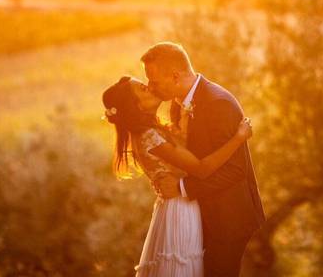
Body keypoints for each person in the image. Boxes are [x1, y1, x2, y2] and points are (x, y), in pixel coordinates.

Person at [102, 75, 253, 277]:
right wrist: (238, 138)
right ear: (135, 105)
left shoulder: (153, 130)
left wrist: (183, 116)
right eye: (143, 89)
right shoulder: (149, 136)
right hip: (180, 210)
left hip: (179, 205)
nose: (150, 87)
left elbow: (182, 148)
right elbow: (201, 168)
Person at [142, 42, 266, 277]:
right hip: (201, 212)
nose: (151, 87)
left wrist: (181, 187)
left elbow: (236, 170)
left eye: (154, 81)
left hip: (227, 217)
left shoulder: (218, 103)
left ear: (175, 76)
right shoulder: (178, 105)